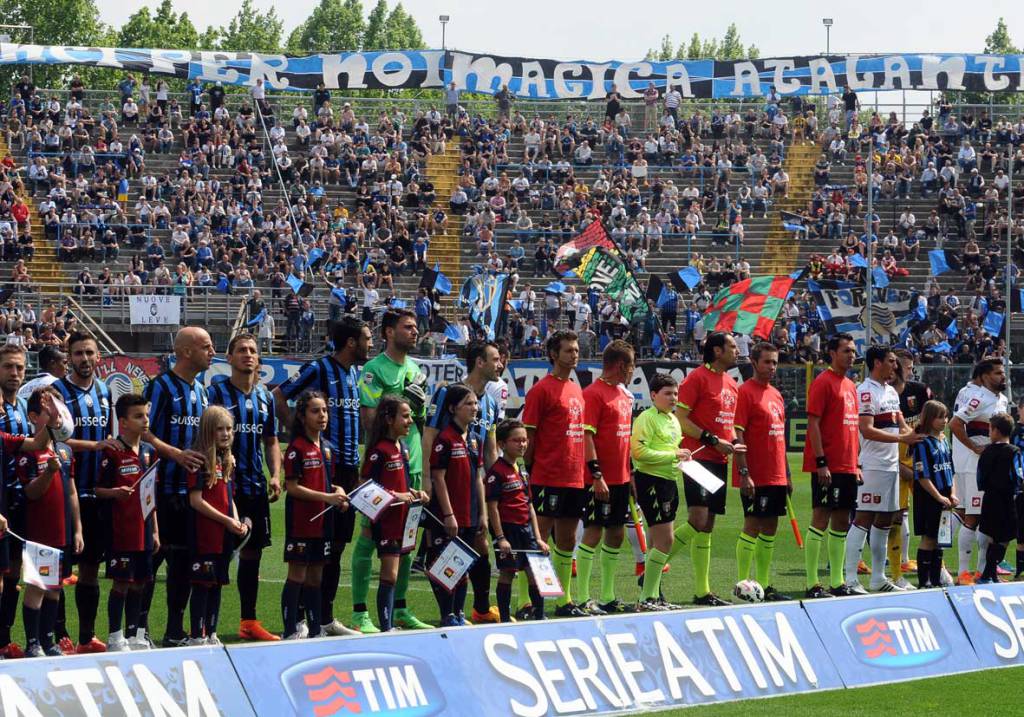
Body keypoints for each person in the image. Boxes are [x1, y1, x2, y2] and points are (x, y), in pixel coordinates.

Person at [274, 318, 369, 637]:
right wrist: (297, 434)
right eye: (367, 339)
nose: (371, 344)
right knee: (312, 548)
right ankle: (299, 619)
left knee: (337, 546)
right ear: (352, 343)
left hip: (347, 470)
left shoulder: (354, 373)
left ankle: (324, 618)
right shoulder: (318, 369)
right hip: (322, 467)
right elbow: (279, 395)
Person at [352, 310, 431, 632]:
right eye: (407, 327)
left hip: (409, 467)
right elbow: (370, 419)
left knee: (407, 540)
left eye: (416, 327)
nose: (415, 332)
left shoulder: (415, 369)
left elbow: (421, 423)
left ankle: (400, 608)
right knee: (369, 536)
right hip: (384, 469)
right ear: (388, 331)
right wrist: (395, 400)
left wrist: (419, 406)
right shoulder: (374, 369)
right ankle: (360, 613)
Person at [207, 334, 282, 642]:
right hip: (222, 486)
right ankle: (205, 625)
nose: (248, 355)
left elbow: (271, 440)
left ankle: (248, 621)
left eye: (252, 350)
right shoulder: (216, 393)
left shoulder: (265, 397)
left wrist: (275, 474)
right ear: (229, 357)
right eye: (241, 350)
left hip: (254, 486)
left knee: (252, 556)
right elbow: (204, 436)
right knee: (216, 553)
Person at [140, 327, 212, 647]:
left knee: (182, 564)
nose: (212, 352)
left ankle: (174, 630)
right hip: (160, 489)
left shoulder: (202, 391)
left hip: (190, 494)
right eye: (206, 346)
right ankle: (138, 630)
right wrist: (175, 454)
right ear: (186, 351)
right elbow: (143, 433)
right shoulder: (160, 387)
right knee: (151, 561)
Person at [422, 341, 501, 623]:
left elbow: (490, 448)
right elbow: (430, 434)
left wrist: (495, 486)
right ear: (480, 362)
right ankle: (448, 611)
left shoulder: (490, 403)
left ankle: (477, 608)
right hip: (445, 484)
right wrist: (428, 479)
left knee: (477, 546)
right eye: (495, 359)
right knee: (443, 548)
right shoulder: (448, 393)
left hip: (473, 486)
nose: (500, 364)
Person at [671, 332, 743, 606]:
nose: (737, 351)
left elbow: (728, 426)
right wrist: (712, 440)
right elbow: (681, 418)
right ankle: (654, 564)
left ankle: (702, 590)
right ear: (716, 351)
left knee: (708, 524)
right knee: (698, 519)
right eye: (732, 346)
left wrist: (734, 443)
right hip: (696, 456)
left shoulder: (731, 384)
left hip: (719, 460)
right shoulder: (697, 378)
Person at [53, 332, 113, 653]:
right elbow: (53, 440)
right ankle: (59, 635)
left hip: (97, 494)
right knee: (61, 571)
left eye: (90, 352)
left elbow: (109, 437)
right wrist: (95, 445)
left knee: (91, 567)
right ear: (69, 357)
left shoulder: (104, 391)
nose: (85, 359)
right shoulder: (57, 393)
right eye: (78, 353)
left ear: (98, 356)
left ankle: (86, 637)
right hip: (63, 492)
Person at [522, 330, 587, 618]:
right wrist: (530, 468)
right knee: (539, 538)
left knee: (568, 540)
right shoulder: (541, 390)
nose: (574, 354)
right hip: (547, 475)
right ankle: (526, 600)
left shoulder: (576, 388)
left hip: (574, 475)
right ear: (553, 355)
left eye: (575, 350)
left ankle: (564, 600)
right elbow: (529, 436)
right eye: (568, 351)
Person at [846, 346, 921, 593]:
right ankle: (850, 579)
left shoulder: (890, 391)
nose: (895, 366)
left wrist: (922, 438)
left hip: (891, 466)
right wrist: (902, 440)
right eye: (891, 361)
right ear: (877, 363)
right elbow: (866, 429)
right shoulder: (865, 391)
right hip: (873, 465)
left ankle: (878, 578)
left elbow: (901, 427)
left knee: (886, 520)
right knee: (864, 518)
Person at [281, 391, 349, 639]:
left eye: (324, 411)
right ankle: (289, 631)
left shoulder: (327, 448)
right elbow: (292, 486)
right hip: (301, 522)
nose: (322, 416)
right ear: (301, 416)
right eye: (315, 411)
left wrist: (337, 490)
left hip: (323, 523)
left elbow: (324, 482)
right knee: (297, 575)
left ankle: (315, 628)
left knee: (316, 577)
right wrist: (327, 498)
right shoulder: (295, 448)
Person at [19, 388, 81, 657]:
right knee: (37, 587)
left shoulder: (65, 450)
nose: (58, 419)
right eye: (50, 413)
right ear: (34, 417)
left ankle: (48, 640)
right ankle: (32, 642)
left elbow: (71, 491)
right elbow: (30, 492)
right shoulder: (28, 452)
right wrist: (48, 474)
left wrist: (77, 528)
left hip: (63, 532)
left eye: (60, 412)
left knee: (55, 590)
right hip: (40, 533)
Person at [96, 394, 159, 651]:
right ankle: (115, 635)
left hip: (144, 529)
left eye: (146, 415)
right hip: (121, 530)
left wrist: (155, 530)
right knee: (121, 582)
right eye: (138, 416)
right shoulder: (112, 452)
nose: (145, 420)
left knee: (141, 581)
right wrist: (116, 492)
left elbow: (150, 495)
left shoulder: (148, 452)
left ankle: (134, 634)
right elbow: (98, 489)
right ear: (123, 421)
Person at [576, 340, 635, 615]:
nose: (633, 370)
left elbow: (624, 440)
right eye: (631, 365)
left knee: (616, 533)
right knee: (594, 531)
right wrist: (596, 475)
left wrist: (630, 473)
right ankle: (583, 596)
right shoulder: (593, 394)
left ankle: (608, 595)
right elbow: (587, 437)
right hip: (599, 479)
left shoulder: (623, 395)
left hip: (621, 478)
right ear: (621, 366)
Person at [733, 342, 792, 601]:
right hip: (755, 474)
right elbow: (737, 433)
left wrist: (787, 474)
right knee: (753, 525)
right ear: (754, 363)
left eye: (775, 362)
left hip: (776, 473)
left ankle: (764, 586)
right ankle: (743, 586)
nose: (772, 367)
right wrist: (744, 472)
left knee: (770, 528)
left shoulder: (776, 395)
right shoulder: (744, 392)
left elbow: (780, 438)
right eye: (767, 362)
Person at [803, 333, 860, 598]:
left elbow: (852, 427)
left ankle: (837, 582)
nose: (852, 355)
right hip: (828, 465)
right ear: (832, 353)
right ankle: (813, 583)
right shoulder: (822, 382)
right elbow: (813, 424)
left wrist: (856, 462)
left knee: (841, 521)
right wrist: (821, 462)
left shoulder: (850, 385)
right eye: (847, 350)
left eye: (853, 350)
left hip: (848, 466)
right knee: (820, 519)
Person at [361, 396, 426, 631]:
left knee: (395, 574)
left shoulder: (403, 447)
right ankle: (386, 627)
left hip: (403, 520)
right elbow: (365, 485)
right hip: (386, 521)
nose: (410, 421)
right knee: (389, 574)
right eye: (405, 416)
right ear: (389, 419)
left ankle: (389, 624)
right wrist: (395, 496)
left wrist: (414, 492)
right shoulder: (379, 450)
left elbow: (401, 483)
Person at [186, 406, 247, 645]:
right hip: (204, 534)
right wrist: (227, 520)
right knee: (202, 584)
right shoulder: (198, 458)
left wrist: (236, 520)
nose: (225, 433)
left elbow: (228, 497)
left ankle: (212, 632)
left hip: (223, 535)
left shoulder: (226, 458)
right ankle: (196, 634)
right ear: (208, 430)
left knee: (217, 583)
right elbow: (196, 500)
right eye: (219, 429)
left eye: (229, 429)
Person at [631, 373, 692, 611]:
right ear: (653, 395)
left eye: (675, 393)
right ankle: (647, 597)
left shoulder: (673, 420)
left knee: (659, 540)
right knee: (665, 540)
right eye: (667, 394)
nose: (673, 398)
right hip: (652, 481)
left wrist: (681, 455)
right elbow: (638, 452)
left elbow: (671, 449)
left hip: (669, 480)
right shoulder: (646, 418)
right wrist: (672, 455)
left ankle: (654, 594)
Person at [949, 358, 1008, 585]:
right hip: (973, 466)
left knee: (983, 518)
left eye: (1003, 373)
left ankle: (985, 573)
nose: (1002, 376)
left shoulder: (1000, 399)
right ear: (984, 376)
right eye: (997, 373)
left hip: (989, 466)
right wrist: (974, 447)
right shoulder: (978, 397)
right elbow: (955, 423)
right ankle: (964, 573)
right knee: (973, 517)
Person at [427, 384, 480, 626]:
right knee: (444, 566)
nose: (474, 408)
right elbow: (438, 477)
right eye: (468, 404)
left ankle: (458, 612)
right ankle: (446, 614)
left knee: (462, 565)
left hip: (470, 514)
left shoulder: (474, 440)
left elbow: (478, 477)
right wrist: (448, 514)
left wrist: (484, 515)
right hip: (449, 516)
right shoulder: (445, 439)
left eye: (475, 403)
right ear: (452, 408)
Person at [488, 419, 548, 622]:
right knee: (508, 573)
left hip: (526, 531)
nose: (522, 444)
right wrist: (500, 537)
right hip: (508, 530)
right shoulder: (496, 472)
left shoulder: (522, 470)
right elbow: (492, 507)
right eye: (516, 440)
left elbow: (529, 505)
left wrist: (538, 538)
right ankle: (504, 619)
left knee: (535, 573)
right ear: (503, 444)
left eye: (524, 440)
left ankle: (539, 616)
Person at [890, 349, 932, 588]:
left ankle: (934, 567)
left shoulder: (919, 390)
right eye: (900, 366)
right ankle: (892, 571)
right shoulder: (877, 394)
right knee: (888, 516)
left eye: (907, 366)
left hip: (915, 458)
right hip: (888, 462)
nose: (905, 370)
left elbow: (913, 428)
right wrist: (897, 464)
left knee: (928, 509)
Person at [912, 400, 957, 589]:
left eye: (946, 416)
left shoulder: (944, 440)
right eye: (939, 417)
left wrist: (953, 493)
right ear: (929, 419)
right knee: (929, 538)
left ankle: (936, 578)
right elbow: (922, 476)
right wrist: (939, 497)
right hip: (929, 496)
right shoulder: (922, 443)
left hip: (946, 497)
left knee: (941, 538)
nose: (944, 420)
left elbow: (950, 470)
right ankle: (924, 582)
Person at [976, 413, 1023, 583]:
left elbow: (979, 476)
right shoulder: (1014, 451)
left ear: (995, 431)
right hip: (1006, 499)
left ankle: (991, 575)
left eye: (990, 428)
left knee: (993, 536)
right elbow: (1018, 476)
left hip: (989, 498)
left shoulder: (986, 451)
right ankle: (987, 574)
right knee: (1004, 538)